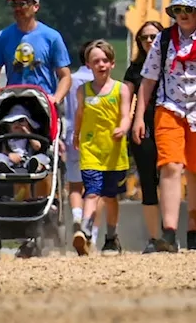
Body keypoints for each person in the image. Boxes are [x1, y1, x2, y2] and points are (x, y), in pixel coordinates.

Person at [134, 0, 196, 253]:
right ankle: (168, 231)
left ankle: (193, 228)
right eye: (178, 10)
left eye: (188, 10)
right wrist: (138, 117)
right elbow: (148, 79)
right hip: (170, 107)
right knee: (170, 166)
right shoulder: (164, 39)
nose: (183, 15)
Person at [72, 40, 133, 256]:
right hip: (91, 150)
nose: (101, 65)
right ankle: (85, 230)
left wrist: (123, 129)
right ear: (88, 65)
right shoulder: (82, 90)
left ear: (112, 63)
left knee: (110, 197)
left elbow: (126, 115)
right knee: (91, 192)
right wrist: (76, 134)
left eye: (105, 61)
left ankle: (110, 237)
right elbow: (79, 114)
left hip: (115, 153)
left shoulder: (121, 89)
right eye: (96, 61)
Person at [0, 0, 72, 104]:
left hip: (43, 103)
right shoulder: (3, 37)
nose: (17, 8)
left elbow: (65, 76)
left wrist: (56, 99)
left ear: (35, 7)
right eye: (14, 4)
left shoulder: (51, 37)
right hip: (14, 102)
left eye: (22, 4)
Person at [124, 21, 163, 253]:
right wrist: (127, 125)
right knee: (148, 182)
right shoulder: (134, 70)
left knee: (171, 178)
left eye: (154, 37)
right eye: (144, 38)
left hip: (169, 123)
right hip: (144, 126)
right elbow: (126, 101)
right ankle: (154, 236)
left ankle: (171, 232)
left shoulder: (170, 64)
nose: (149, 41)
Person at [61, 48, 94, 248]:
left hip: (73, 133)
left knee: (74, 184)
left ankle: (76, 215)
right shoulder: (100, 80)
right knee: (94, 187)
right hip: (95, 136)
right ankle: (91, 231)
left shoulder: (70, 80)